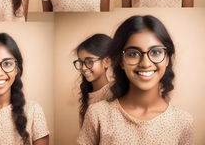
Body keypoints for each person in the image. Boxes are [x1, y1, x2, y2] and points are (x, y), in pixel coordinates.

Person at [77, 15, 193, 144]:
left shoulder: (183, 121)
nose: (145, 63)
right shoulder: (97, 114)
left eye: (155, 52)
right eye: (133, 54)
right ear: (121, 61)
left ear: (167, 59)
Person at [73, 34, 112, 125]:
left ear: (107, 61)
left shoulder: (113, 95)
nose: (83, 68)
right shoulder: (87, 95)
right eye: (81, 62)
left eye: (89, 62)